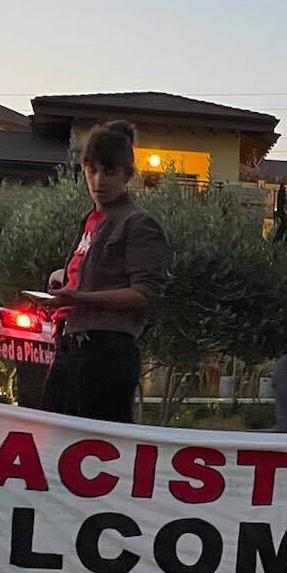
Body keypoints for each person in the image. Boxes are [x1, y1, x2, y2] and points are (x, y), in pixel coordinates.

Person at [39, 121, 171, 423]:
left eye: (109, 172)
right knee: (49, 439)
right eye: (91, 170)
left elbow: (145, 293)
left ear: (127, 175)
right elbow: (93, 272)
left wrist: (79, 297)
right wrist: (64, 277)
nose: (98, 180)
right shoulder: (90, 221)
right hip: (70, 347)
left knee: (99, 451)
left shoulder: (138, 223)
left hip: (107, 352)